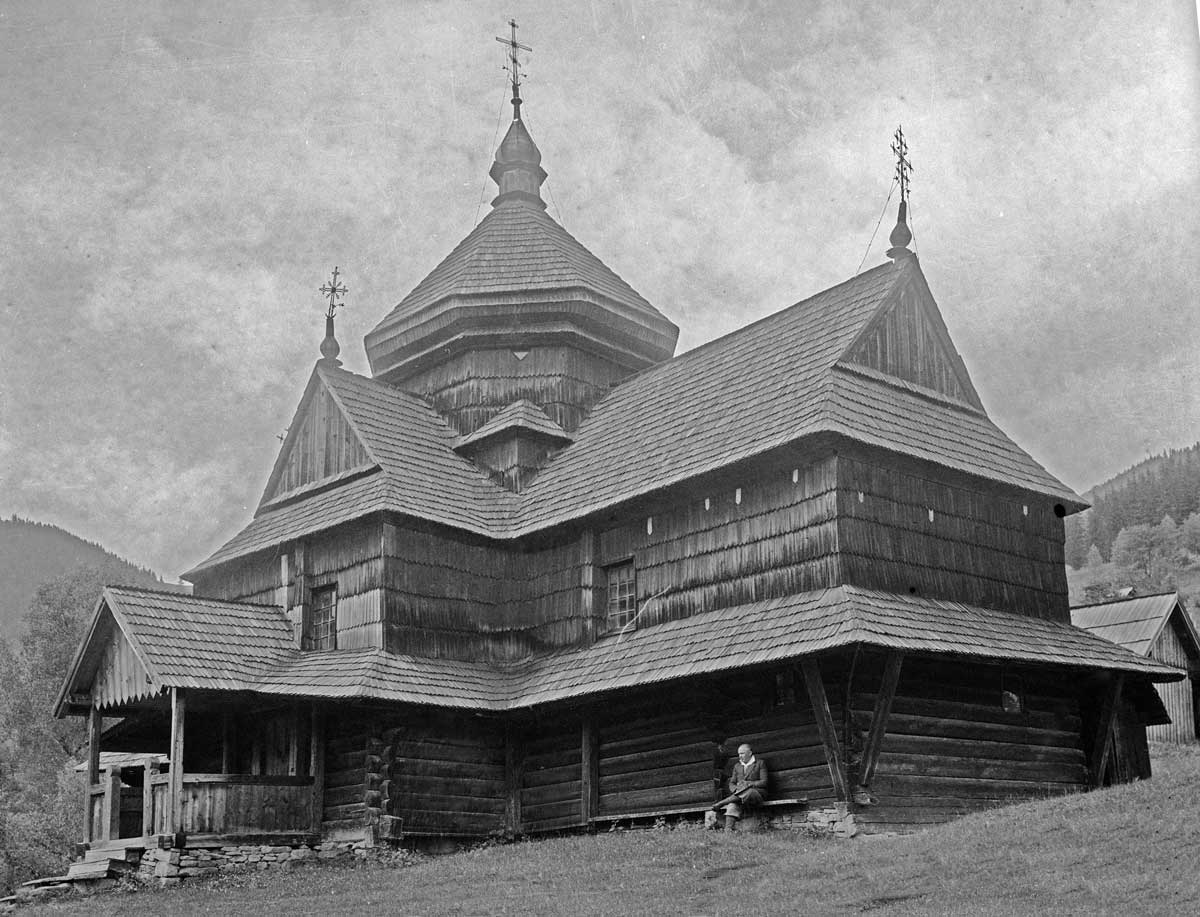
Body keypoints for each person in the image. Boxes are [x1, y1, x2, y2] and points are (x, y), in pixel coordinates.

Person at [710, 743, 768, 830]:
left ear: (750, 753)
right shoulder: (737, 766)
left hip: (757, 793)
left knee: (749, 792)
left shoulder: (760, 763)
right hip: (740, 797)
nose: (740, 756)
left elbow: (764, 782)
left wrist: (749, 784)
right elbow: (732, 783)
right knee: (732, 805)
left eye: (742, 753)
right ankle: (728, 831)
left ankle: (722, 803)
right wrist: (736, 789)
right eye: (739, 754)